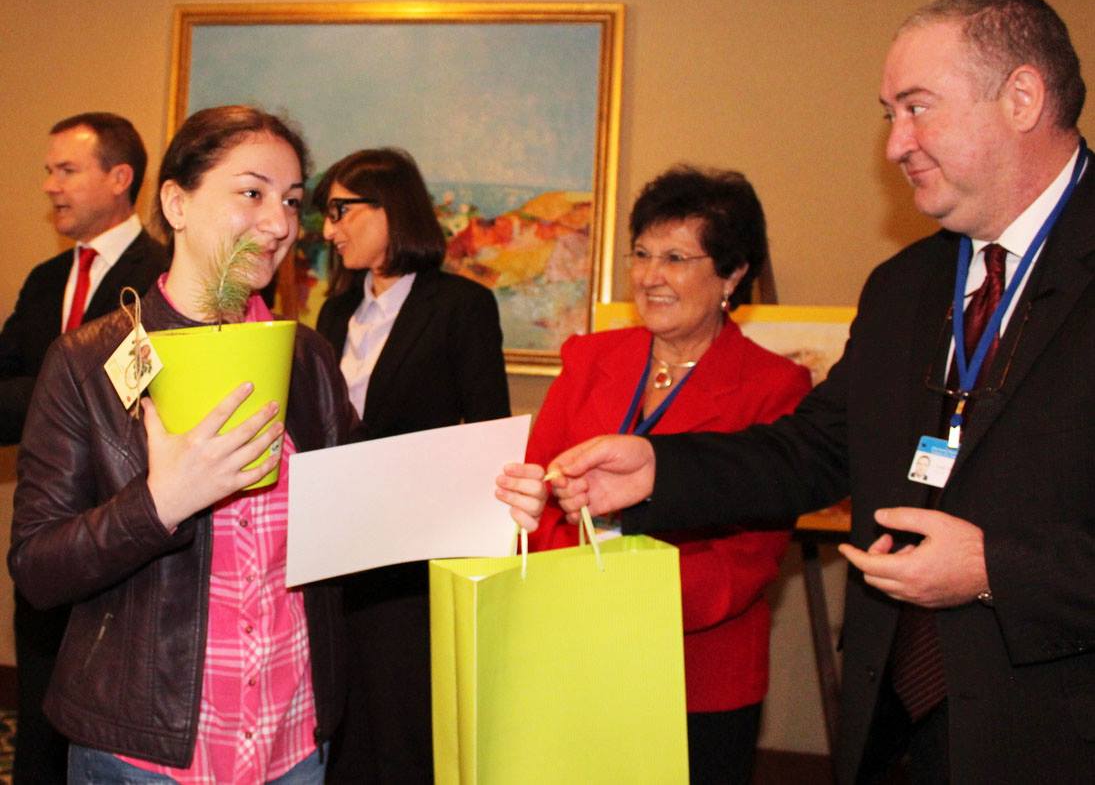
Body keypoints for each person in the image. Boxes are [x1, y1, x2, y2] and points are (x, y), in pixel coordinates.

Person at [499, 0, 1095, 784]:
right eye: (888, 114)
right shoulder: (904, 287)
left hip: (1054, 728)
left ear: (1020, 98)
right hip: (893, 725)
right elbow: (811, 450)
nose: (894, 144)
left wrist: (996, 569)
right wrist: (659, 470)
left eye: (916, 108)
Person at [8, 105, 356, 783]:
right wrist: (159, 503)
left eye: (291, 201)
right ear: (176, 203)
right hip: (145, 753)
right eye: (251, 192)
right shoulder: (90, 361)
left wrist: (482, 501)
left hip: (291, 742)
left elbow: (358, 516)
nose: (279, 223)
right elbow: (38, 566)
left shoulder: (308, 358)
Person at [497, 166, 810, 783]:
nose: (648, 276)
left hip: (696, 671)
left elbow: (747, 559)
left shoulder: (774, 387)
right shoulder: (590, 358)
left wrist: (623, 602)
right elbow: (538, 491)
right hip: (571, 652)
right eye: (641, 254)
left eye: (674, 258)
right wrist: (576, 589)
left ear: (732, 274)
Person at [313, 147, 509, 782]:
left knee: (403, 735)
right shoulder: (334, 312)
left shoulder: (461, 306)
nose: (329, 231)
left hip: (413, 566)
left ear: (390, 209)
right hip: (335, 558)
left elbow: (489, 437)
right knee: (340, 733)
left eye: (340, 211)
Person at [0, 111, 167, 783]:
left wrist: (52, 390)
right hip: (46, 536)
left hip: (127, 542)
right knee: (40, 730)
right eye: (49, 171)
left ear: (119, 178)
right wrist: (66, 389)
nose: (50, 185)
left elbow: (135, 396)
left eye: (66, 170)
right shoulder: (46, 278)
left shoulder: (162, 276)